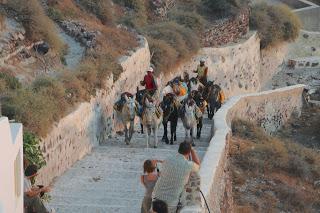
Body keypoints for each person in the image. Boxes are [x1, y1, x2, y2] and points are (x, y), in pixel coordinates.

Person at [152, 141, 201, 213]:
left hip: (156, 197)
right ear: (189, 152)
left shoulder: (168, 159)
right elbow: (198, 165)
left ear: (179, 149)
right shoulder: (188, 165)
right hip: (170, 203)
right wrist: (192, 150)